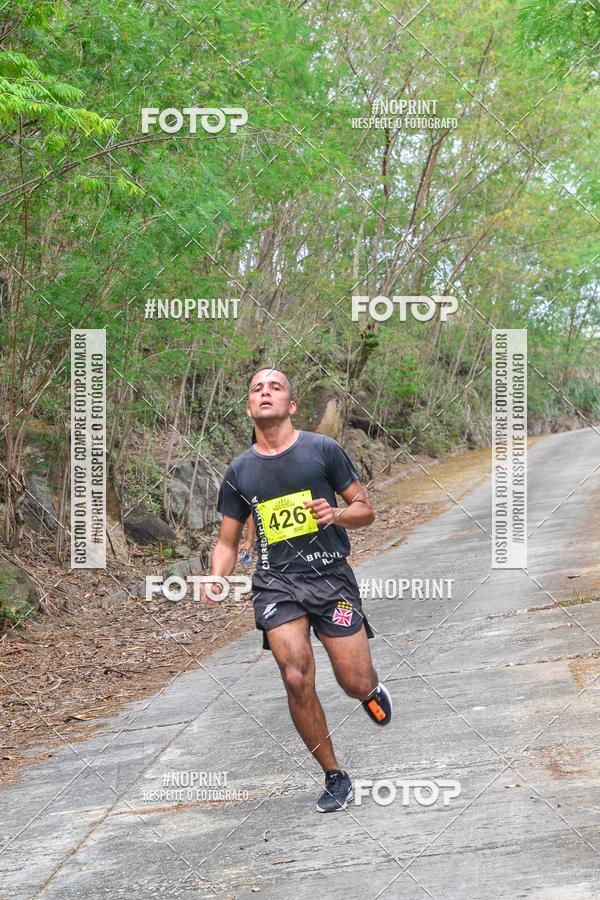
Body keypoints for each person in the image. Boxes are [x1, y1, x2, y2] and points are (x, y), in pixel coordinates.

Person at [203, 367, 392, 813]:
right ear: (249, 406)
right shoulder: (239, 472)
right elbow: (228, 542)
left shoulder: (322, 450)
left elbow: (365, 510)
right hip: (276, 585)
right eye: (256, 388)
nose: (265, 392)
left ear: (291, 406)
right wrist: (217, 575)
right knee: (295, 675)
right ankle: (333, 774)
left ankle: (370, 691)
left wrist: (338, 516)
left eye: (275, 387)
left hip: (330, 577)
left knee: (354, 680)